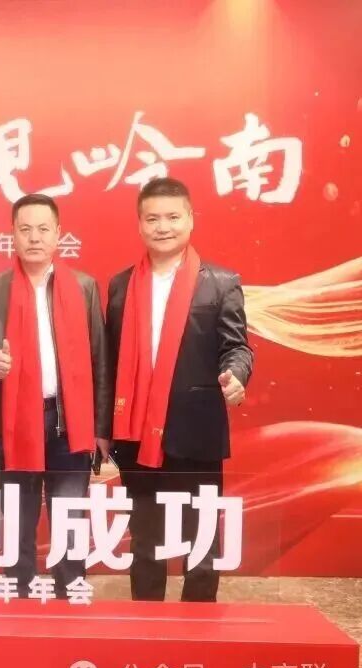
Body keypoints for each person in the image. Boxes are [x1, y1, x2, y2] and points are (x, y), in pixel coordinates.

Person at [106, 177, 253, 602]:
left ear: (191, 219)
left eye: (172, 217)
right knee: (145, 539)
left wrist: (236, 375)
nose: (163, 227)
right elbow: (110, 360)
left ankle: (199, 623)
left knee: (201, 538)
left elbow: (237, 346)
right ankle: (146, 619)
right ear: (140, 224)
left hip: (196, 430)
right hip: (135, 433)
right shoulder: (121, 285)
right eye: (152, 218)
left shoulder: (220, 282)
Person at [0, 193, 111, 598]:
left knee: (69, 524)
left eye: (43, 229)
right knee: (17, 524)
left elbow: (100, 359)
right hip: (15, 426)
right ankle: (20, 605)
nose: (34, 237)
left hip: (70, 425)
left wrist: (101, 427)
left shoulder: (84, 287)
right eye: (25, 229)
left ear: (58, 234)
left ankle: (68, 605)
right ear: (12, 234)